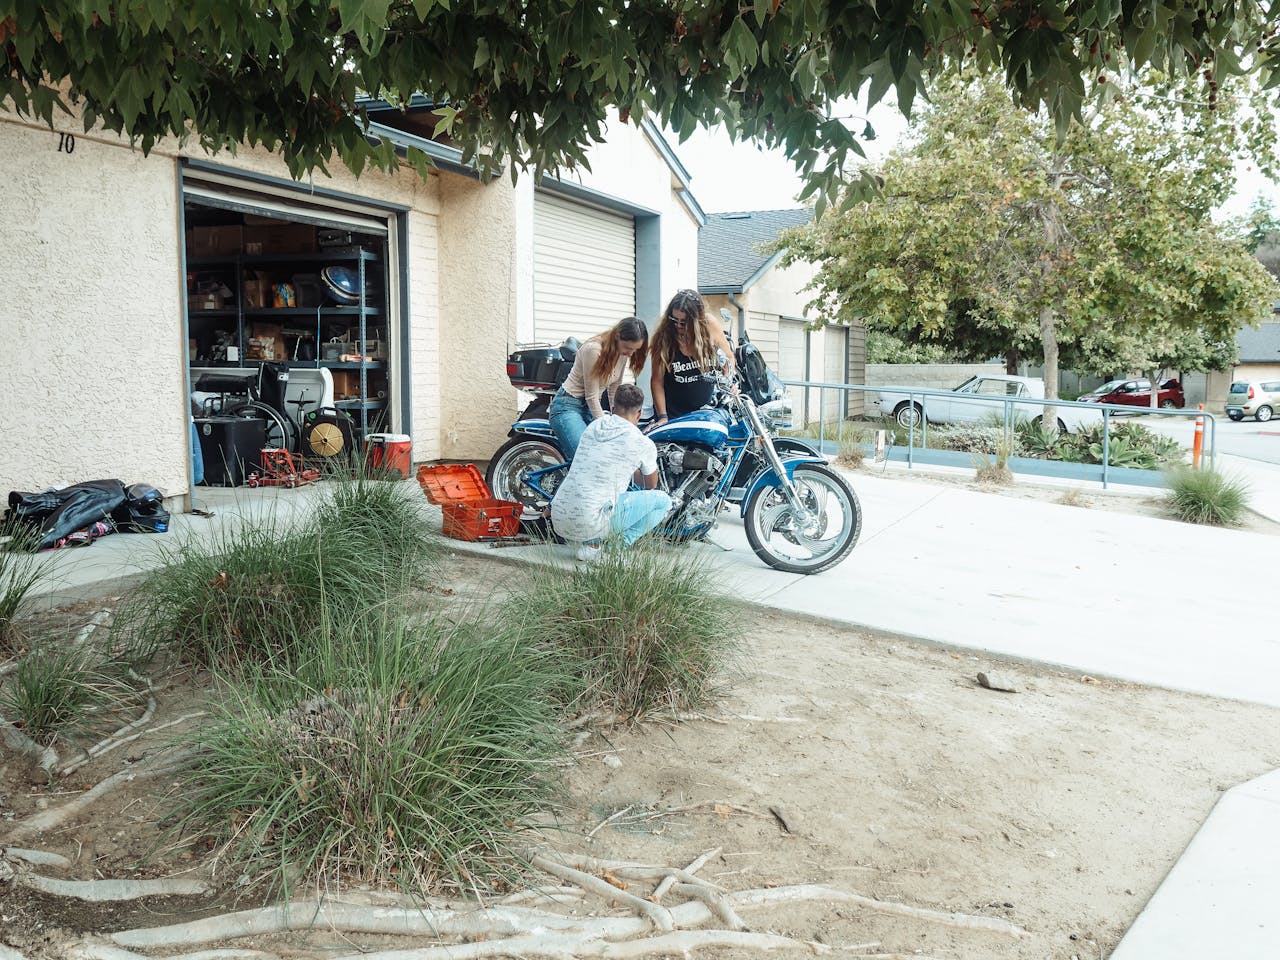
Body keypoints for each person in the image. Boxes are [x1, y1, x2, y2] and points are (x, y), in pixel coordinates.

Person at [550, 383, 671, 562]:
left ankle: (592, 544)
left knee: (601, 497)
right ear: (639, 414)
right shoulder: (642, 442)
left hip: (559, 518)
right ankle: (614, 548)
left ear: (613, 408)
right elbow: (650, 484)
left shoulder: (593, 427)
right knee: (664, 502)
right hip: (590, 521)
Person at [548, 316, 649, 460]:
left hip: (590, 407)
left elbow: (614, 389)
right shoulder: (594, 350)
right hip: (567, 405)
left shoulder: (623, 354)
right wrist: (607, 428)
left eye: (635, 350)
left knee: (611, 452)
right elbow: (591, 396)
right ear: (617, 337)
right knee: (586, 456)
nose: (630, 354)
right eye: (628, 348)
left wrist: (619, 422)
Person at [648, 289, 735, 426]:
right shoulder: (663, 337)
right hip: (675, 416)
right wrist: (663, 417)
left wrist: (728, 381)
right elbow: (657, 382)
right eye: (674, 320)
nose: (678, 326)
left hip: (707, 413)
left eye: (684, 322)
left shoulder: (709, 325)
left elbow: (729, 357)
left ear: (697, 319)